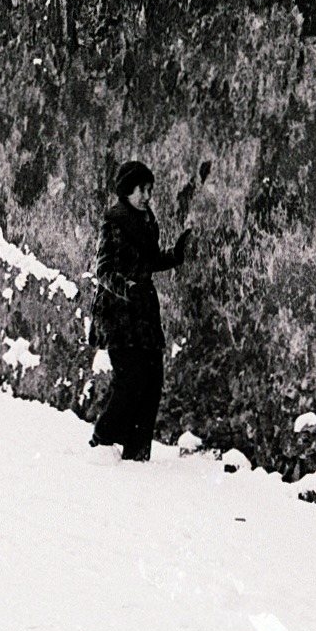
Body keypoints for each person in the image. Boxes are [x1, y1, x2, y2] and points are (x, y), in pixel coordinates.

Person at [89, 160, 192, 462]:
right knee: (130, 379)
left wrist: (174, 255)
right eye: (142, 189)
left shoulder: (147, 219)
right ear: (127, 189)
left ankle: (137, 453)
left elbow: (148, 261)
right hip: (118, 313)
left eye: (150, 190)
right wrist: (128, 287)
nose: (147, 196)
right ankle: (103, 440)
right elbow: (104, 270)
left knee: (152, 380)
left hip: (144, 311)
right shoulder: (116, 221)